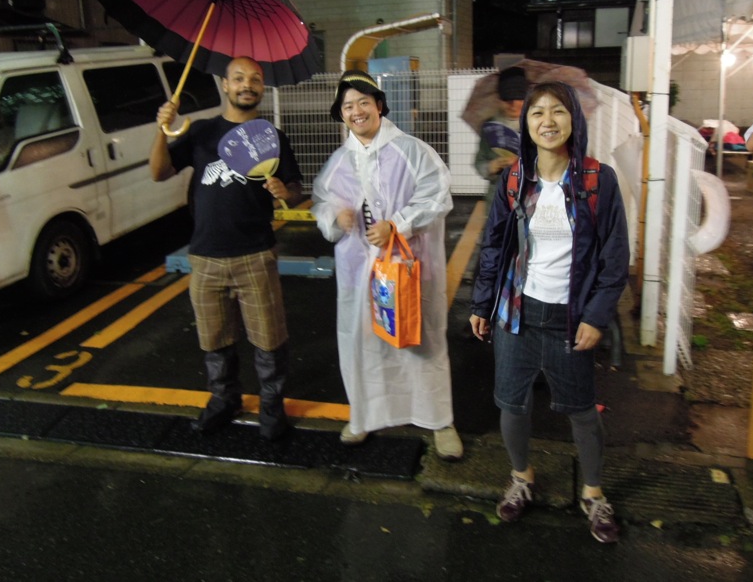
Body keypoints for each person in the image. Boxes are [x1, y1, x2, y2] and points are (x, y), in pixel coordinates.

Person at [469, 81, 630, 543]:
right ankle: (522, 478)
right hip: (516, 313)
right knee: (512, 404)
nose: (547, 121)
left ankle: (594, 494)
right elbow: (495, 245)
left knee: (581, 410)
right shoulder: (516, 179)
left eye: (557, 111)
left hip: (570, 316)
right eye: (537, 113)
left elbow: (614, 258)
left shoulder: (598, 180)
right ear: (527, 124)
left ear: (573, 120)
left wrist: (596, 316)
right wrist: (482, 302)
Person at [311, 70, 464, 462]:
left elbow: (437, 195)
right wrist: (335, 218)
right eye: (348, 106)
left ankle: (438, 419)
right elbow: (323, 203)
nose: (357, 111)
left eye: (364, 102)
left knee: (421, 337)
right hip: (359, 275)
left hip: (409, 269)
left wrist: (398, 225)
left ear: (379, 105)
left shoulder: (412, 151)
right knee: (361, 341)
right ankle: (364, 414)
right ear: (341, 115)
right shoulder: (340, 160)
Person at [149, 56, 304, 441]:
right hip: (204, 255)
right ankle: (224, 400)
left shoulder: (270, 137)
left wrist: (286, 192)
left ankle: (272, 407)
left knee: (269, 339)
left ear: (262, 87)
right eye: (238, 78)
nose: (246, 84)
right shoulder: (202, 132)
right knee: (214, 339)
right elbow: (158, 172)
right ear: (225, 85)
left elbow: (296, 190)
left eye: (254, 79)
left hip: (256, 253)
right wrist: (161, 129)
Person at [475, 67, 527, 213]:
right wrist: (490, 166)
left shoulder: (537, 124)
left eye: (519, 99)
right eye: (507, 99)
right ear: (499, 99)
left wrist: (521, 162)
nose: (514, 104)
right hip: (497, 198)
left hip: (529, 197)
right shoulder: (490, 127)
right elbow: (479, 160)